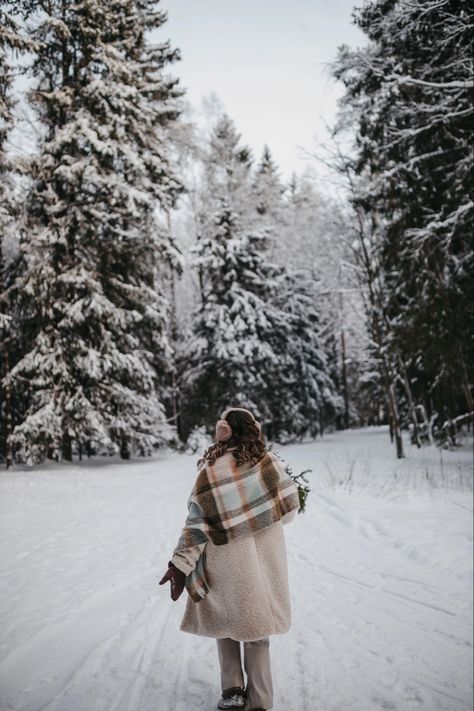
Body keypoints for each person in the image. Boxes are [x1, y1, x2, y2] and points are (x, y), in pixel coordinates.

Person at [159, 407, 299, 711]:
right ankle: (260, 702)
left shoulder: (210, 472)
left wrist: (179, 565)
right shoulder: (269, 464)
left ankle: (232, 691)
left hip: (224, 565)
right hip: (262, 566)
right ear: (253, 430)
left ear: (223, 432)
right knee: (257, 631)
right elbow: (289, 511)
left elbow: (195, 526)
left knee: (226, 624)